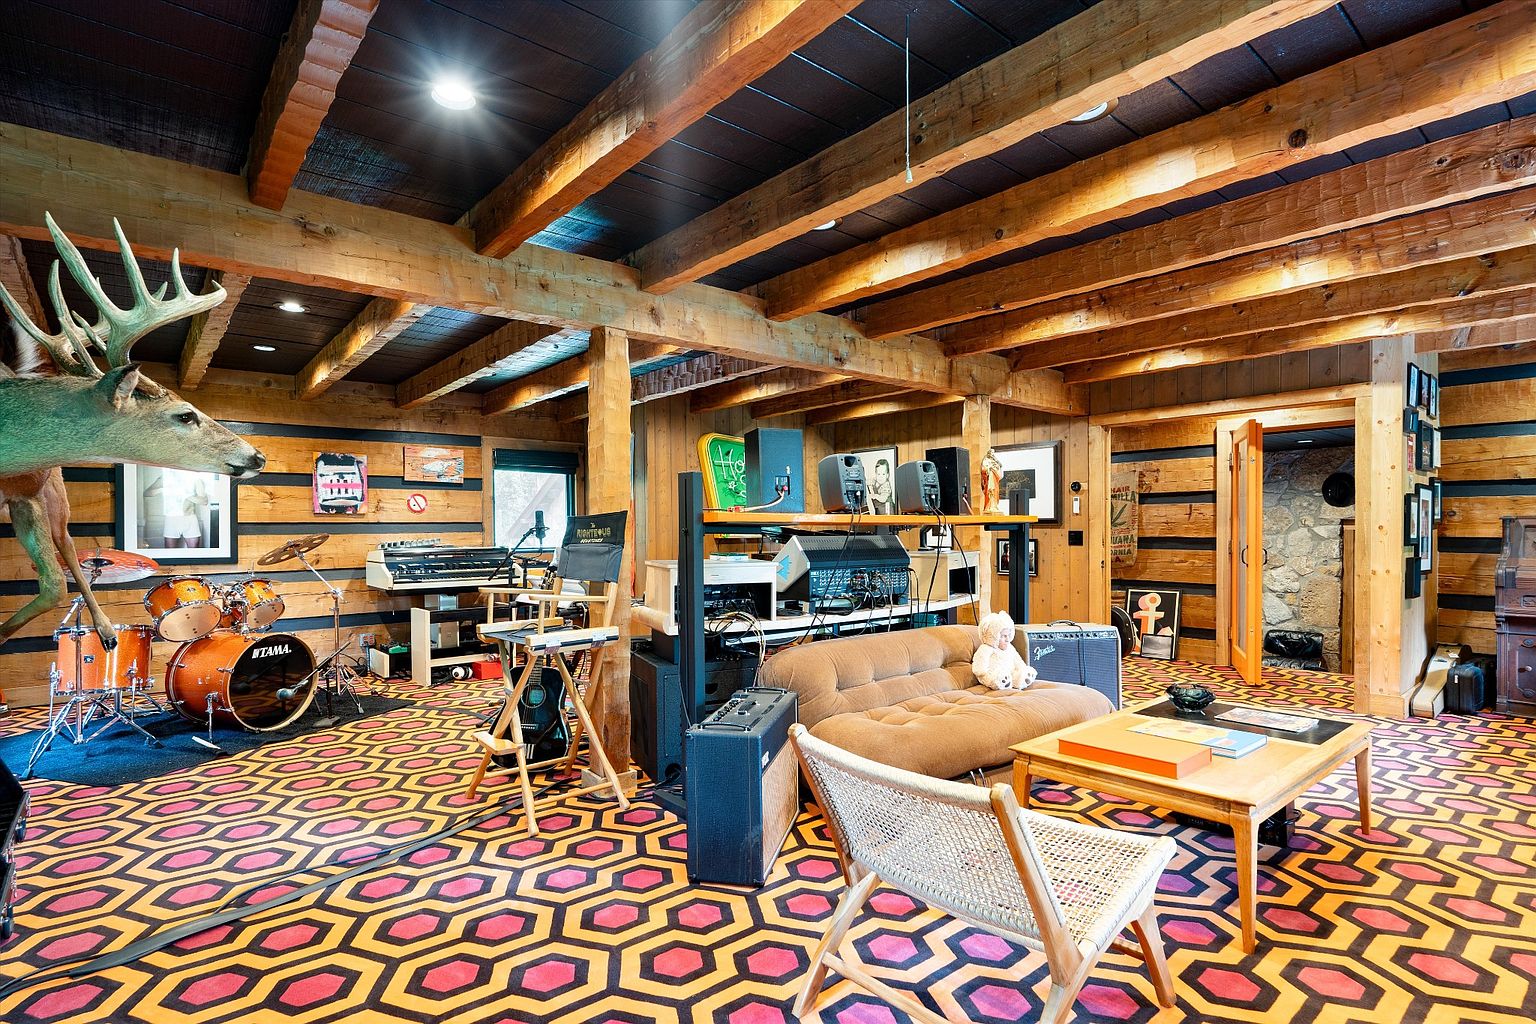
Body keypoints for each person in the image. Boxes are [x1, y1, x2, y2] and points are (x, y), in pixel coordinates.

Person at [156, 470, 209, 548]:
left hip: (190, 518)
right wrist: (164, 490)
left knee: (194, 554)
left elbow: (204, 501)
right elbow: (147, 493)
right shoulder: (165, 478)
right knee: (169, 554)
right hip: (171, 519)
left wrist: (184, 494)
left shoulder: (195, 479)